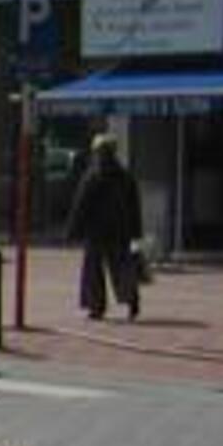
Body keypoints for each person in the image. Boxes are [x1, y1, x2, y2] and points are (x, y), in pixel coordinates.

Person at [66, 133, 142, 320]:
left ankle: (96, 306)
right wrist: (135, 231)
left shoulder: (93, 176)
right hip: (120, 230)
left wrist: (72, 231)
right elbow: (134, 206)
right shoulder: (125, 176)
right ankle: (131, 299)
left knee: (93, 269)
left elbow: (81, 205)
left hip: (97, 231)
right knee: (121, 267)